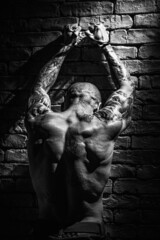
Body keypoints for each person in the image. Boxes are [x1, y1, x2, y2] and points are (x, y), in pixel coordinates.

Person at [25, 23, 135, 240]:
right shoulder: (104, 125)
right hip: (88, 229)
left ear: (65, 100)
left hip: (45, 229)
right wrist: (104, 45)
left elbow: (39, 86)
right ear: (98, 104)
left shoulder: (40, 120)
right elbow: (126, 86)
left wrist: (66, 46)